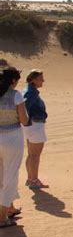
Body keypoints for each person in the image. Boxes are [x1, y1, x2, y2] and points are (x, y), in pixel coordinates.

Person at [0, 67, 29, 228]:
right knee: (10, 176)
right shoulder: (16, 95)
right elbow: (24, 119)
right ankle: (2, 217)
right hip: (12, 137)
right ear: (13, 81)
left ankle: (8, 208)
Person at [23, 69, 49, 189]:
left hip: (31, 126)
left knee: (31, 154)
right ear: (33, 80)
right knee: (35, 156)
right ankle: (34, 180)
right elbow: (24, 107)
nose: (43, 80)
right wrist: (28, 121)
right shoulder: (31, 93)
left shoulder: (30, 91)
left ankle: (30, 178)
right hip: (35, 126)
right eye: (40, 78)